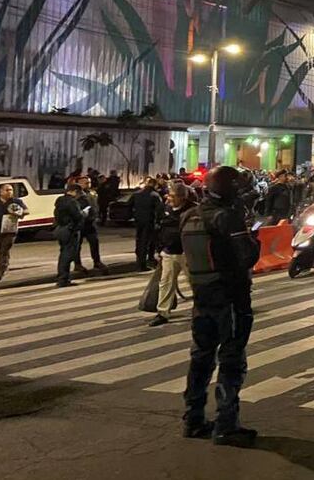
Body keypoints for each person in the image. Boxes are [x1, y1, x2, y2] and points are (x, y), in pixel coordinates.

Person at [181, 165, 260, 446]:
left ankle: (193, 419)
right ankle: (226, 425)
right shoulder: (227, 218)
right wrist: (253, 236)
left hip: (201, 298)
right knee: (231, 360)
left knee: (200, 358)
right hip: (229, 298)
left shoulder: (190, 216)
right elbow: (247, 257)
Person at [149, 183, 196, 326]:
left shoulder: (194, 210)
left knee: (195, 283)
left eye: (173, 196)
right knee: (166, 283)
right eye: (169, 195)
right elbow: (160, 229)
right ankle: (162, 312)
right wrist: (159, 249)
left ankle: (201, 308)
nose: (169, 198)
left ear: (182, 197)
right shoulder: (166, 209)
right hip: (169, 252)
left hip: (188, 253)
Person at [74, 175, 109, 276]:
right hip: (80, 223)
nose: (87, 184)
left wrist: (96, 216)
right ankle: (77, 264)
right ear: (79, 183)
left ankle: (97, 262)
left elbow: (95, 206)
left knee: (94, 243)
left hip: (91, 223)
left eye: (88, 182)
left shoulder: (92, 193)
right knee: (77, 245)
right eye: (85, 182)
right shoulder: (76, 195)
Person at [53, 183, 84, 288]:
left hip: (60, 229)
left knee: (63, 253)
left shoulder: (60, 200)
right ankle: (63, 279)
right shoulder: (72, 202)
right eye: (78, 193)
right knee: (68, 254)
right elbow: (77, 216)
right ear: (74, 191)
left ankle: (62, 277)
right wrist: (83, 214)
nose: (78, 195)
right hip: (69, 229)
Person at [0, 183, 27, 282]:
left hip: (9, 231)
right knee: (0, 251)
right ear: (1, 192)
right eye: (7, 190)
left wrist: (19, 212)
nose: (9, 192)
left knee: (4, 250)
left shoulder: (16, 201)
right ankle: (4, 265)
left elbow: (26, 211)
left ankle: (0, 272)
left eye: (11, 190)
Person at [132, 177, 164, 272]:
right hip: (150, 221)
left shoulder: (136, 194)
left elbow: (128, 205)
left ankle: (139, 261)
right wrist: (159, 222)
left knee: (139, 241)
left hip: (139, 221)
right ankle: (143, 264)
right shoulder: (155, 195)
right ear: (154, 185)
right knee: (147, 242)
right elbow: (160, 210)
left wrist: (135, 216)